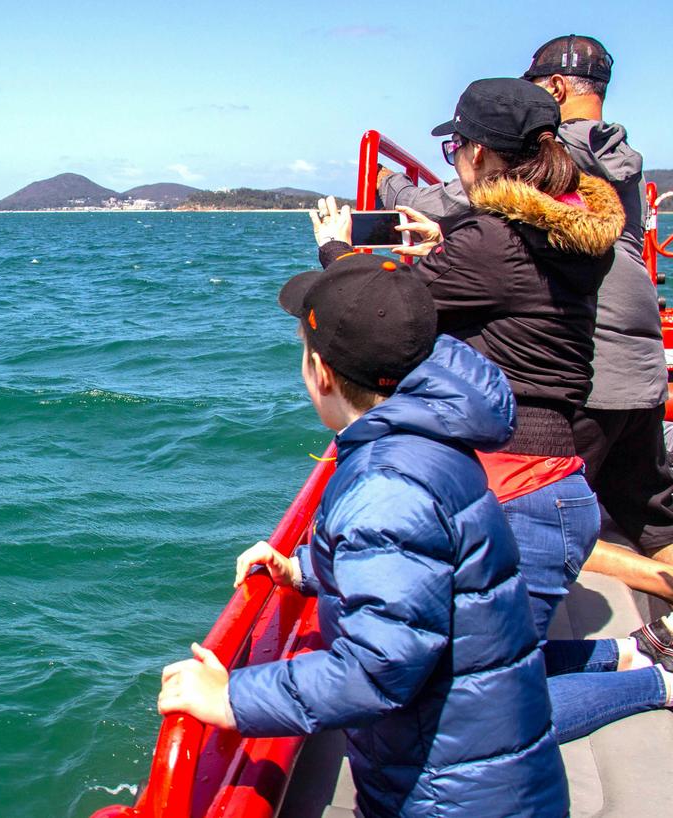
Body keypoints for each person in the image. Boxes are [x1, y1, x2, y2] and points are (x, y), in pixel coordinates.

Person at [159, 253, 567, 817]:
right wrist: (306, 569)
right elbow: (420, 570)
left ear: (321, 373)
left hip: (448, 793)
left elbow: (378, 667)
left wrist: (231, 697)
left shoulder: (385, 486)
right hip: (483, 765)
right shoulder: (426, 435)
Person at [317, 77, 624, 637]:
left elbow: (380, 312)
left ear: (476, 151)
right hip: (552, 472)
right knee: (487, 671)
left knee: (481, 701)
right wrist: (447, 244)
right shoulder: (564, 233)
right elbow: (514, 287)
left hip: (516, 484)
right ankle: (629, 660)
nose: (454, 157)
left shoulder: (491, 241)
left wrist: (336, 251)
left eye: (453, 146)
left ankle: (651, 681)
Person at [379, 36, 673, 603]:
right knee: (651, 519)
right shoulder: (616, 166)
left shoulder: (546, 155)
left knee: (549, 515)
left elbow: (459, 214)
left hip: (593, 363)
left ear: (556, 91)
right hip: (642, 359)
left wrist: (387, 194)